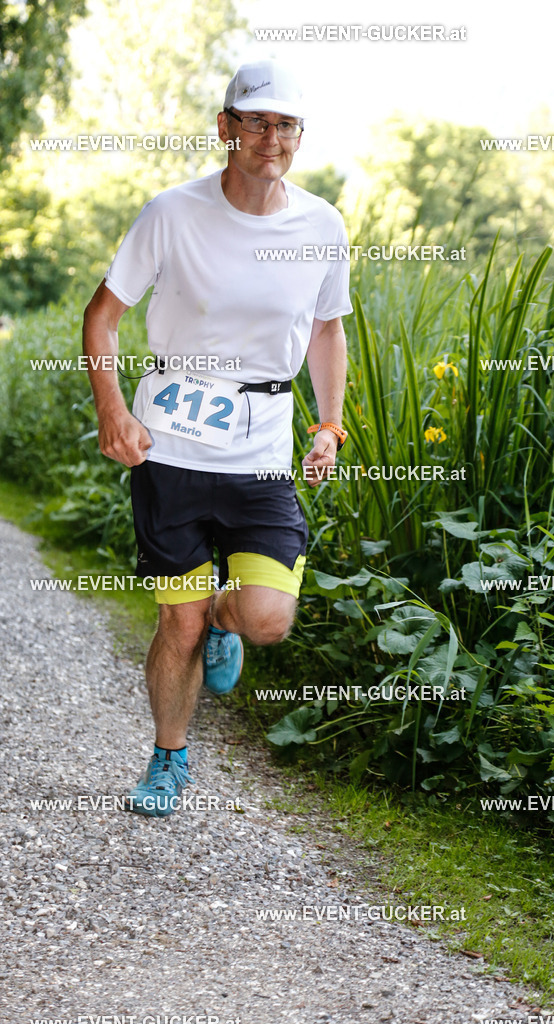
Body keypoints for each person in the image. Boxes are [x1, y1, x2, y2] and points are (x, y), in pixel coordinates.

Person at [82, 59, 352, 817]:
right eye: (257, 121)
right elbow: (101, 317)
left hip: (261, 452)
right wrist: (112, 409)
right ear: (226, 127)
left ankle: (225, 624)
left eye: (285, 124)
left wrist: (328, 422)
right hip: (168, 446)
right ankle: (168, 760)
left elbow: (327, 330)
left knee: (264, 617)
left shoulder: (321, 225)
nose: (272, 137)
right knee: (179, 616)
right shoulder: (172, 213)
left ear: (299, 135)